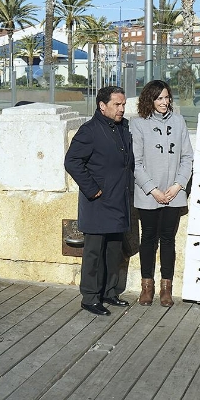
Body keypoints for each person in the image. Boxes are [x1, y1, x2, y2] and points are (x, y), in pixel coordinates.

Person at [64, 86, 133, 316]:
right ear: (102, 106)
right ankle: (90, 297)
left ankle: (109, 292)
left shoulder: (123, 127)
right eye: (117, 104)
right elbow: (72, 161)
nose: (122, 109)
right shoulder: (89, 131)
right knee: (94, 253)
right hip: (98, 203)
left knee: (114, 250)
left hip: (118, 200)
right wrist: (93, 190)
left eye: (123, 104)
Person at [131, 80, 193, 307]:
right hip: (149, 194)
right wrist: (153, 190)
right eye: (159, 98)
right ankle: (147, 286)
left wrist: (177, 186)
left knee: (168, 240)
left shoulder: (178, 121)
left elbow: (187, 157)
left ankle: (166, 288)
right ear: (150, 100)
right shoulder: (138, 124)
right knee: (148, 239)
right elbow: (135, 163)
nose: (164, 102)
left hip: (173, 193)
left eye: (167, 97)